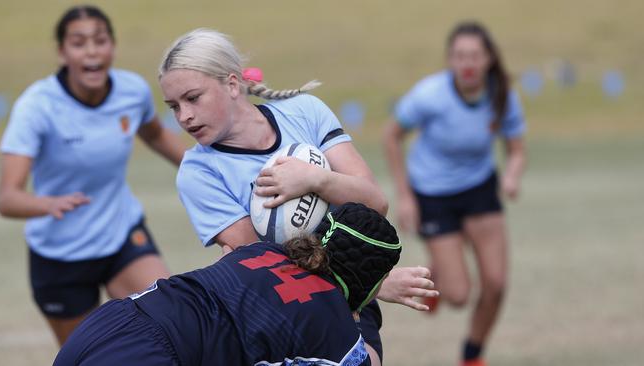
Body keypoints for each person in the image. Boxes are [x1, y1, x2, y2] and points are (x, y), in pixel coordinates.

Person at [158, 28, 437, 363]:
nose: (184, 117)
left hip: (349, 294)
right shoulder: (198, 172)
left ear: (232, 84)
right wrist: (378, 285)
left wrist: (313, 180)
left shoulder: (304, 111)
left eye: (193, 98)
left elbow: (374, 201)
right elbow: (262, 264)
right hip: (280, 310)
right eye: (174, 106)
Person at [0, 5, 187, 345]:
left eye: (100, 41)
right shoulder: (37, 106)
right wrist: (47, 204)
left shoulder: (131, 91)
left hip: (121, 235)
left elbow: (155, 135)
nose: (92, 51)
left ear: (112, 46)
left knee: (172, 324)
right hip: (60, 255)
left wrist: (198, 169)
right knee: (90, 355)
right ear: (62, 52)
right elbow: (8, 198)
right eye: (79, 43)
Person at [53, 203, 406, 366]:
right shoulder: (334, 326)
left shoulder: (259, 250)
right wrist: (362, 311)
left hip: (110, 321)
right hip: (157, 354)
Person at [383, 21, 527, 366]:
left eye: (475, 55)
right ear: (450, 60)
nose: (468, 63)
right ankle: (441, 271)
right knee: (459, 295)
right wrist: (405, 196)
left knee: (496, 283)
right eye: (460, 55)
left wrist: (511, 175)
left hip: (479, 189)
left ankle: (472, 356)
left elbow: (516, 148)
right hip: (433, 193)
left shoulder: (501, 93)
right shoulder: (430, 95)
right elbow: (391, 136)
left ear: (489, 59)